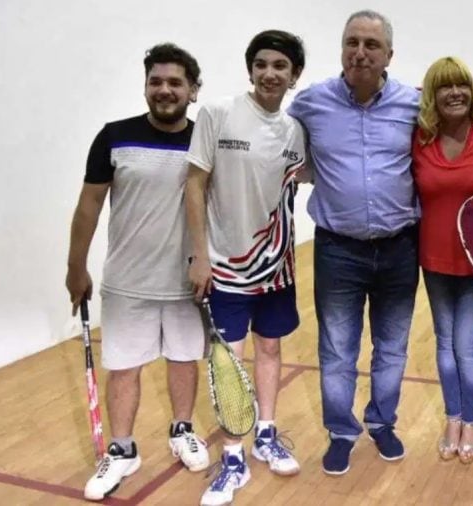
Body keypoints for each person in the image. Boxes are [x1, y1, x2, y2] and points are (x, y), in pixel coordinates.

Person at [65, 43, 209, 501]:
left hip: (186, 281)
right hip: (127, 282)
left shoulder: (205, 140)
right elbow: (89, 204)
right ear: (146, 86)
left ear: (193, 90)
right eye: (156, 81)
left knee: (184, 360)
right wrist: (75, 267)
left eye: (175, 83)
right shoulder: (114, 135)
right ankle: (123, 449)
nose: (164, 90)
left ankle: (181, 429)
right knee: (124, 368)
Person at [287, 10, 420, 475]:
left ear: (388, 55)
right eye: (352, 42)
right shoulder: (310, 103)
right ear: (341, 47)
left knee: (392, 346)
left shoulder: (413, 104)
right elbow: (279, 146)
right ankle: (341, 432)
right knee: (338, 348)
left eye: (370, 44)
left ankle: (382, 422)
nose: (359, 52)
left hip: (401, 247)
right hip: (337, 249)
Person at [185, 30, 306, 506]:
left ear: (294, 75)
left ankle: (266, 433)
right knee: (229, 362)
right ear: (250, 69)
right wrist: (198, 254)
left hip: (277, 267)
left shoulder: (295, 130)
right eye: (261, 64)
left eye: (280, 66)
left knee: (270, 348)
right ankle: (232, 456)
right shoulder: (217, 114)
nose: (269, 73)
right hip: (225, 268)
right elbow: (195, 185)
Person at [412, 56, 473, 464]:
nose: (455, 92)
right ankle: (453, 418)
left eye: (462, 84)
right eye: (444, 86)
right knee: (444, 344)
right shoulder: (420, 137)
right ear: (432, 95)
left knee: (466, 346)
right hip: (432, 259)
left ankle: (472, 420)